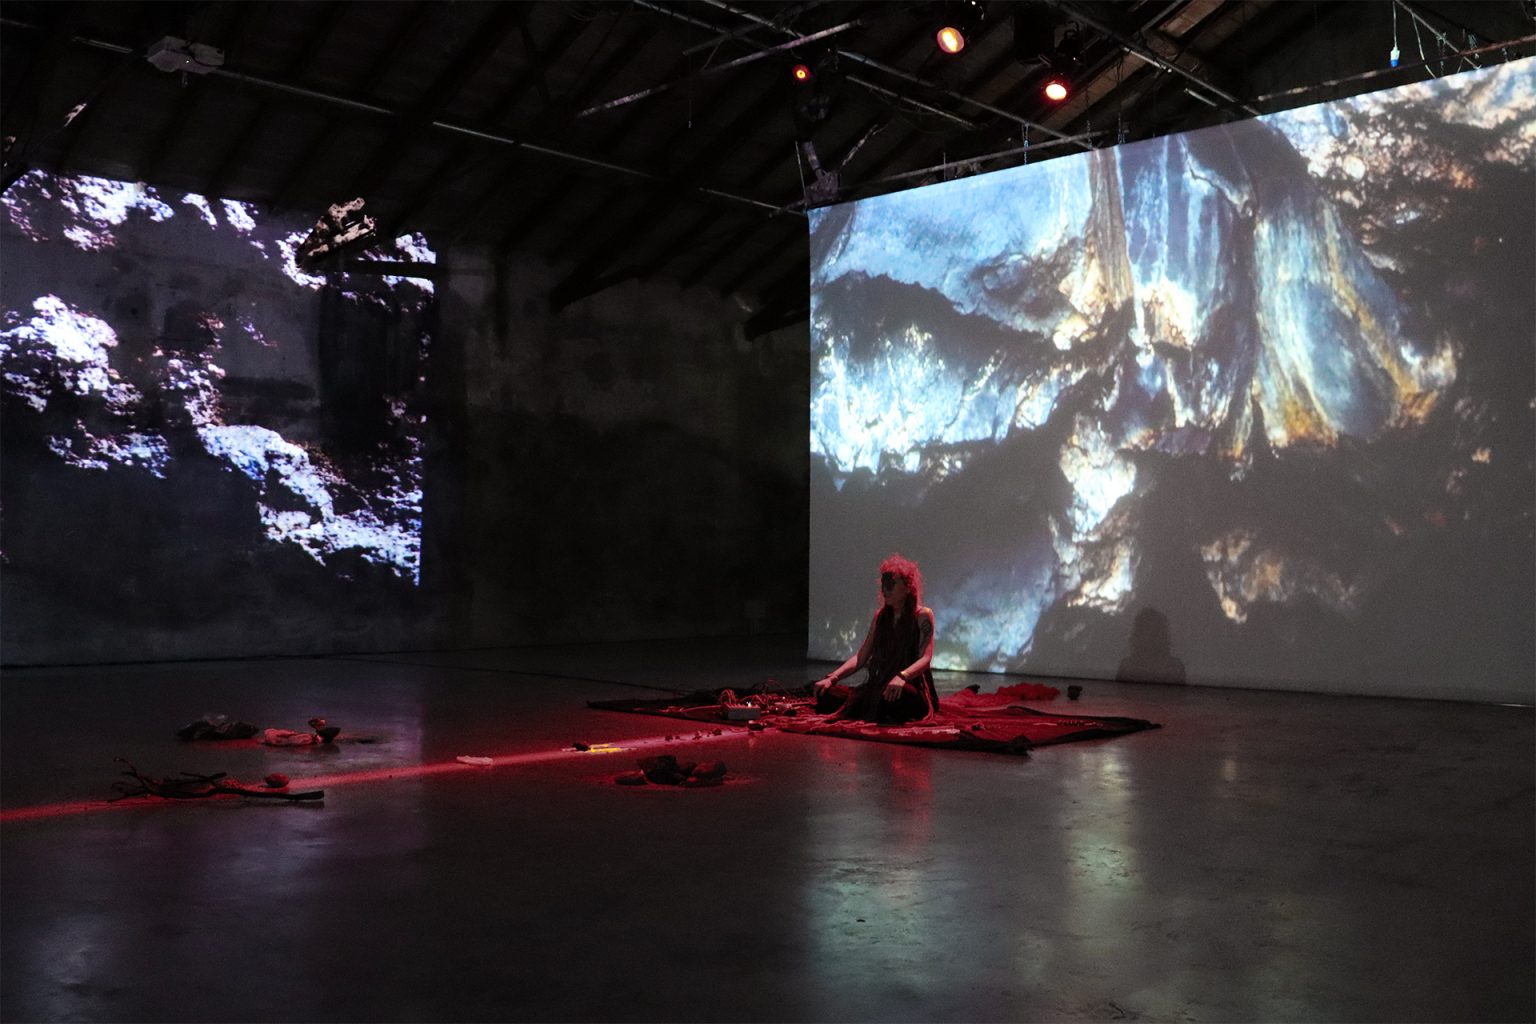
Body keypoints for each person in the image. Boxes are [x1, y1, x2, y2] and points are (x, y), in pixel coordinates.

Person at [813, 554, 940, 724]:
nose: (885, 590)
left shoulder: (922, 615)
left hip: (911, 685)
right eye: (883, 585)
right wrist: (833, 677)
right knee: (826, 694)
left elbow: (925, 657)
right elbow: (862, 656)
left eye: (892, 584)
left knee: (889, 701)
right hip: (883, 683)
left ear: (908, 587)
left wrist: (902, 677)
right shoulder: (880, 617)